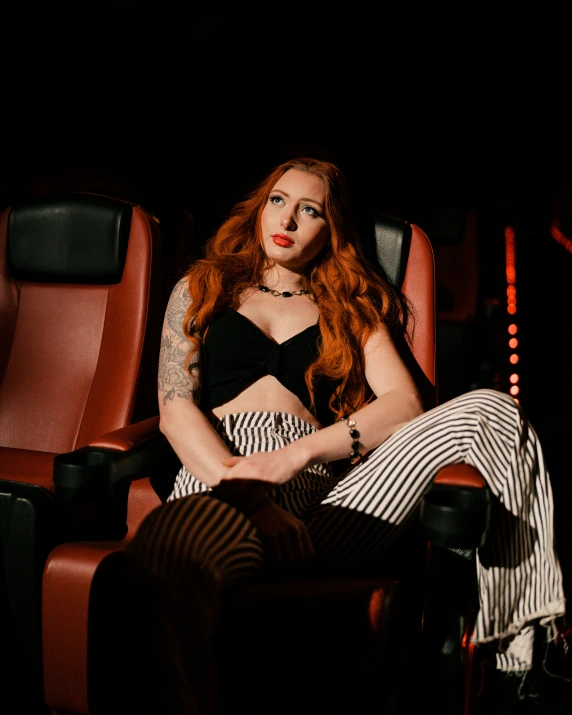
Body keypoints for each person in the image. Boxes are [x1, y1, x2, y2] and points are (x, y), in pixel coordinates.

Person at [115, 157, 568, 714]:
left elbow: (405, 406)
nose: (289, 219)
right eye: (278, 200)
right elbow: (176, 411)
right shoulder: (202, 286)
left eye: (311, 211)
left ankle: (523, 659)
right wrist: (250, 490)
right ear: (260, 207)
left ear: (332, 231)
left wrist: (296, 455)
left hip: (324, 501)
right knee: (161, 554)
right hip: (218, 480)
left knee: (494, 411)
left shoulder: (351, 308)